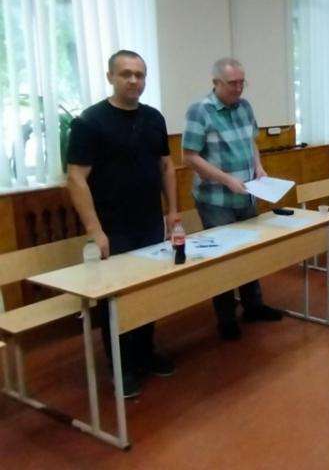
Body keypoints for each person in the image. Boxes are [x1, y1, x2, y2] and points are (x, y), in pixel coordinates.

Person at [67, 49, 177, 398]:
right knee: (115, 298)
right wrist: (95, 231)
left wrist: (173, 211)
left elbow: (166, 166)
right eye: (126, 74)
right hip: (112, 228)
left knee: (148, 289)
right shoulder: (90, 122)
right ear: (110, 77)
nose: (133, 80)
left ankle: (144, 352)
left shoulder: (154, 118)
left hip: (150, 222)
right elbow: (76, 178)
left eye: (139, 74)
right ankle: (120, 366)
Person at [182, 57, 283, 341]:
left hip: (248, 194)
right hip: (216, 200)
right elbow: (189, 156)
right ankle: (225, 318)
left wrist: (259, 168)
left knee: (249, 252)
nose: (238, 88)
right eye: (232, 83)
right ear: (216, 83)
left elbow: (251, 142)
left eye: (242, 82)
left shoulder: (245, 107)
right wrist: (226, 179)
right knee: (223, 258)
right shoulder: (200, 111)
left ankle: (253, 306)